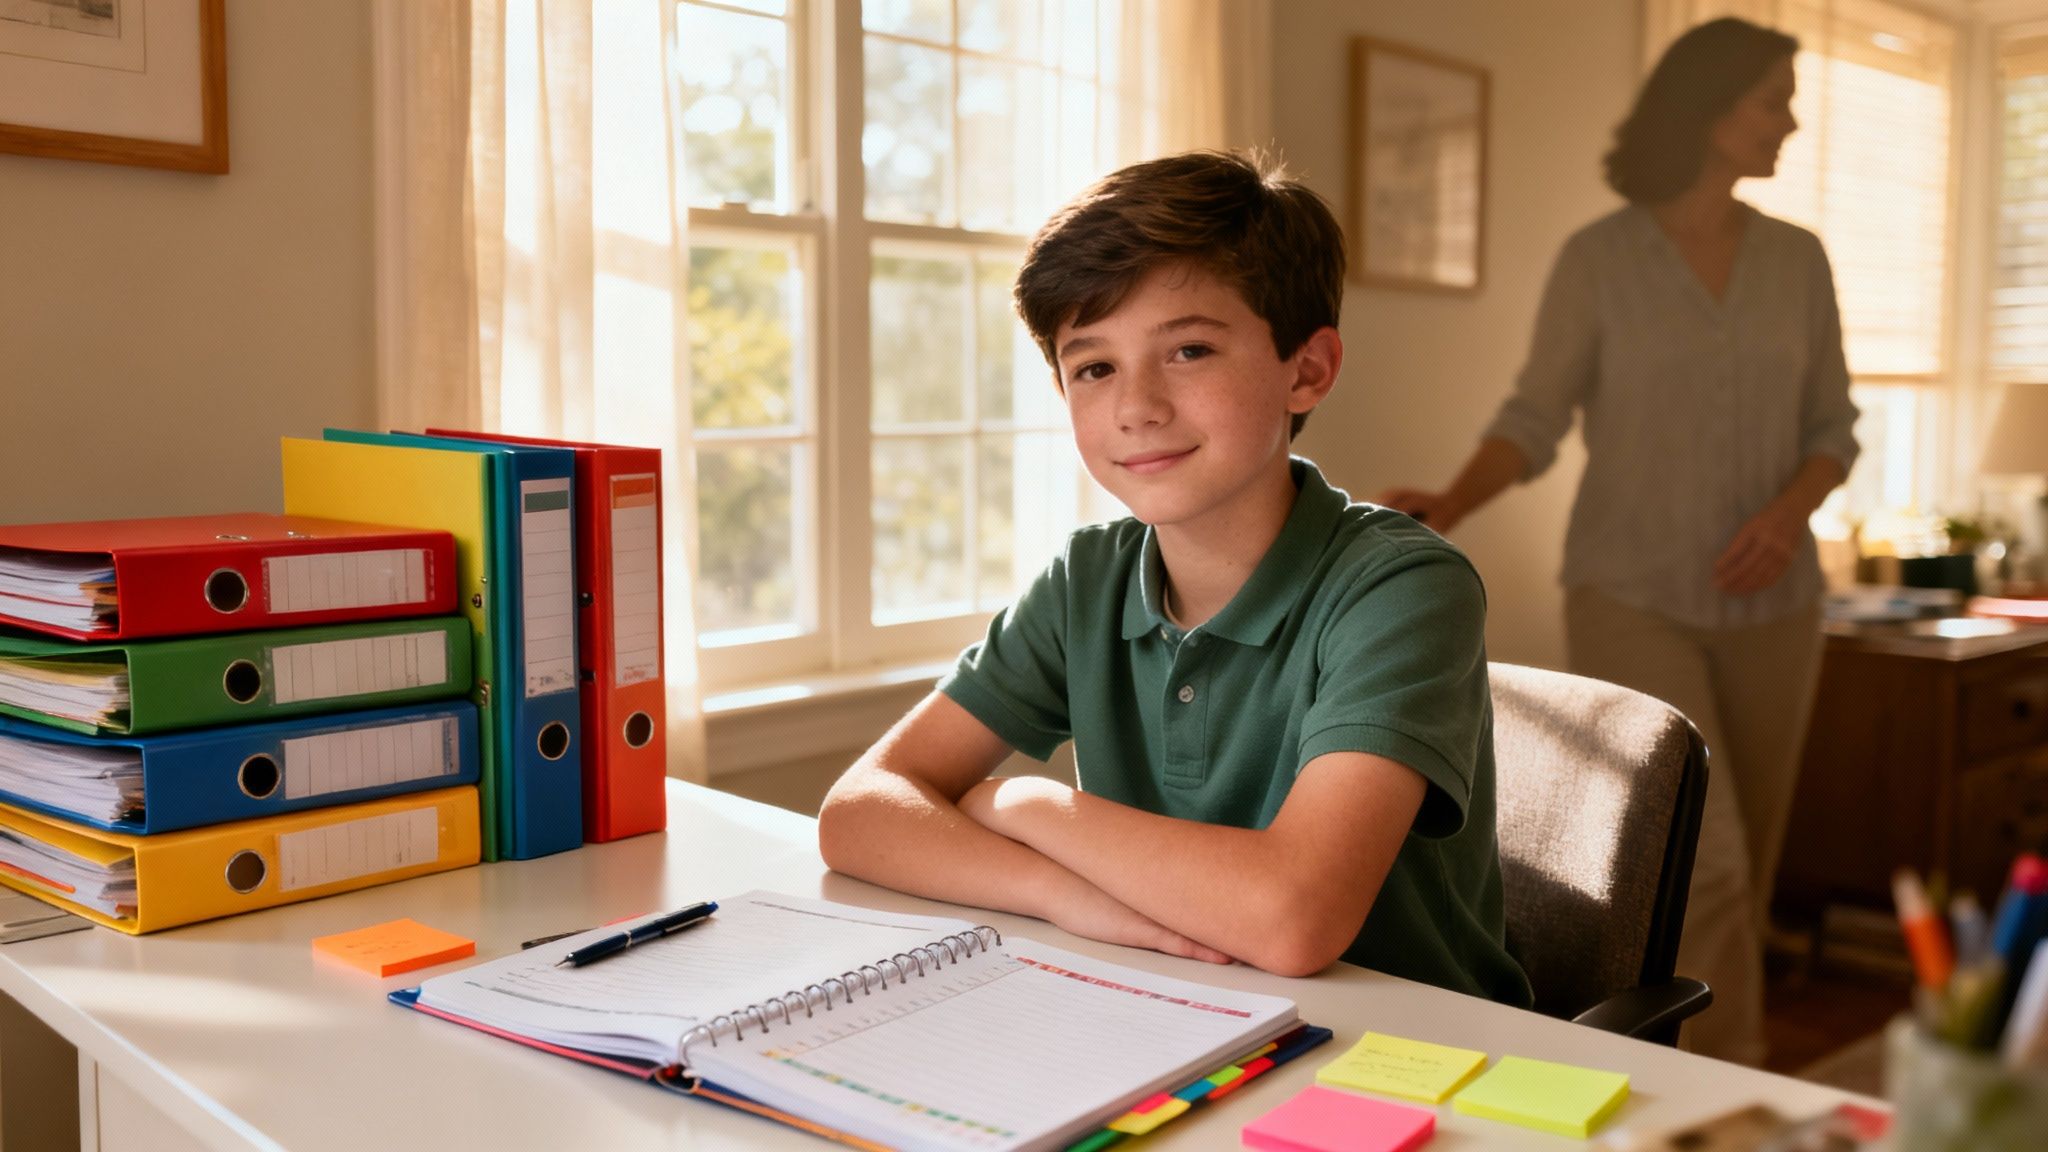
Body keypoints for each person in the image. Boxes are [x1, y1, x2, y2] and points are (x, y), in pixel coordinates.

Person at [818, 150, 1532, 1006]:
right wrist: (1061, 895)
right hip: (1165, 1014)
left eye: (1189, 349)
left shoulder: (1402, 586)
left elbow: (1292, 919)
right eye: (1094, 367)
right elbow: (859, 811)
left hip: (1405, 1053)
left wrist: (1029, 811)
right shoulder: (1090, 577)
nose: (1136, 406)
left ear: (1307, 368)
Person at [1376, 17, 1858, 1065]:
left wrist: (1787, 515)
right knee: (1710, 868)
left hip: (1777, 612)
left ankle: (1688, 1082)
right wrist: (1451, 500)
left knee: (1748, 877)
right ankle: (1728, 1110)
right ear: (1709, 108)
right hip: (1630, 594)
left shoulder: (1797, 260)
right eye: (1771, 97)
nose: (1788, 119)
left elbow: (1833, 429)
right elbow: (1532, 418)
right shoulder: (1597, 261)